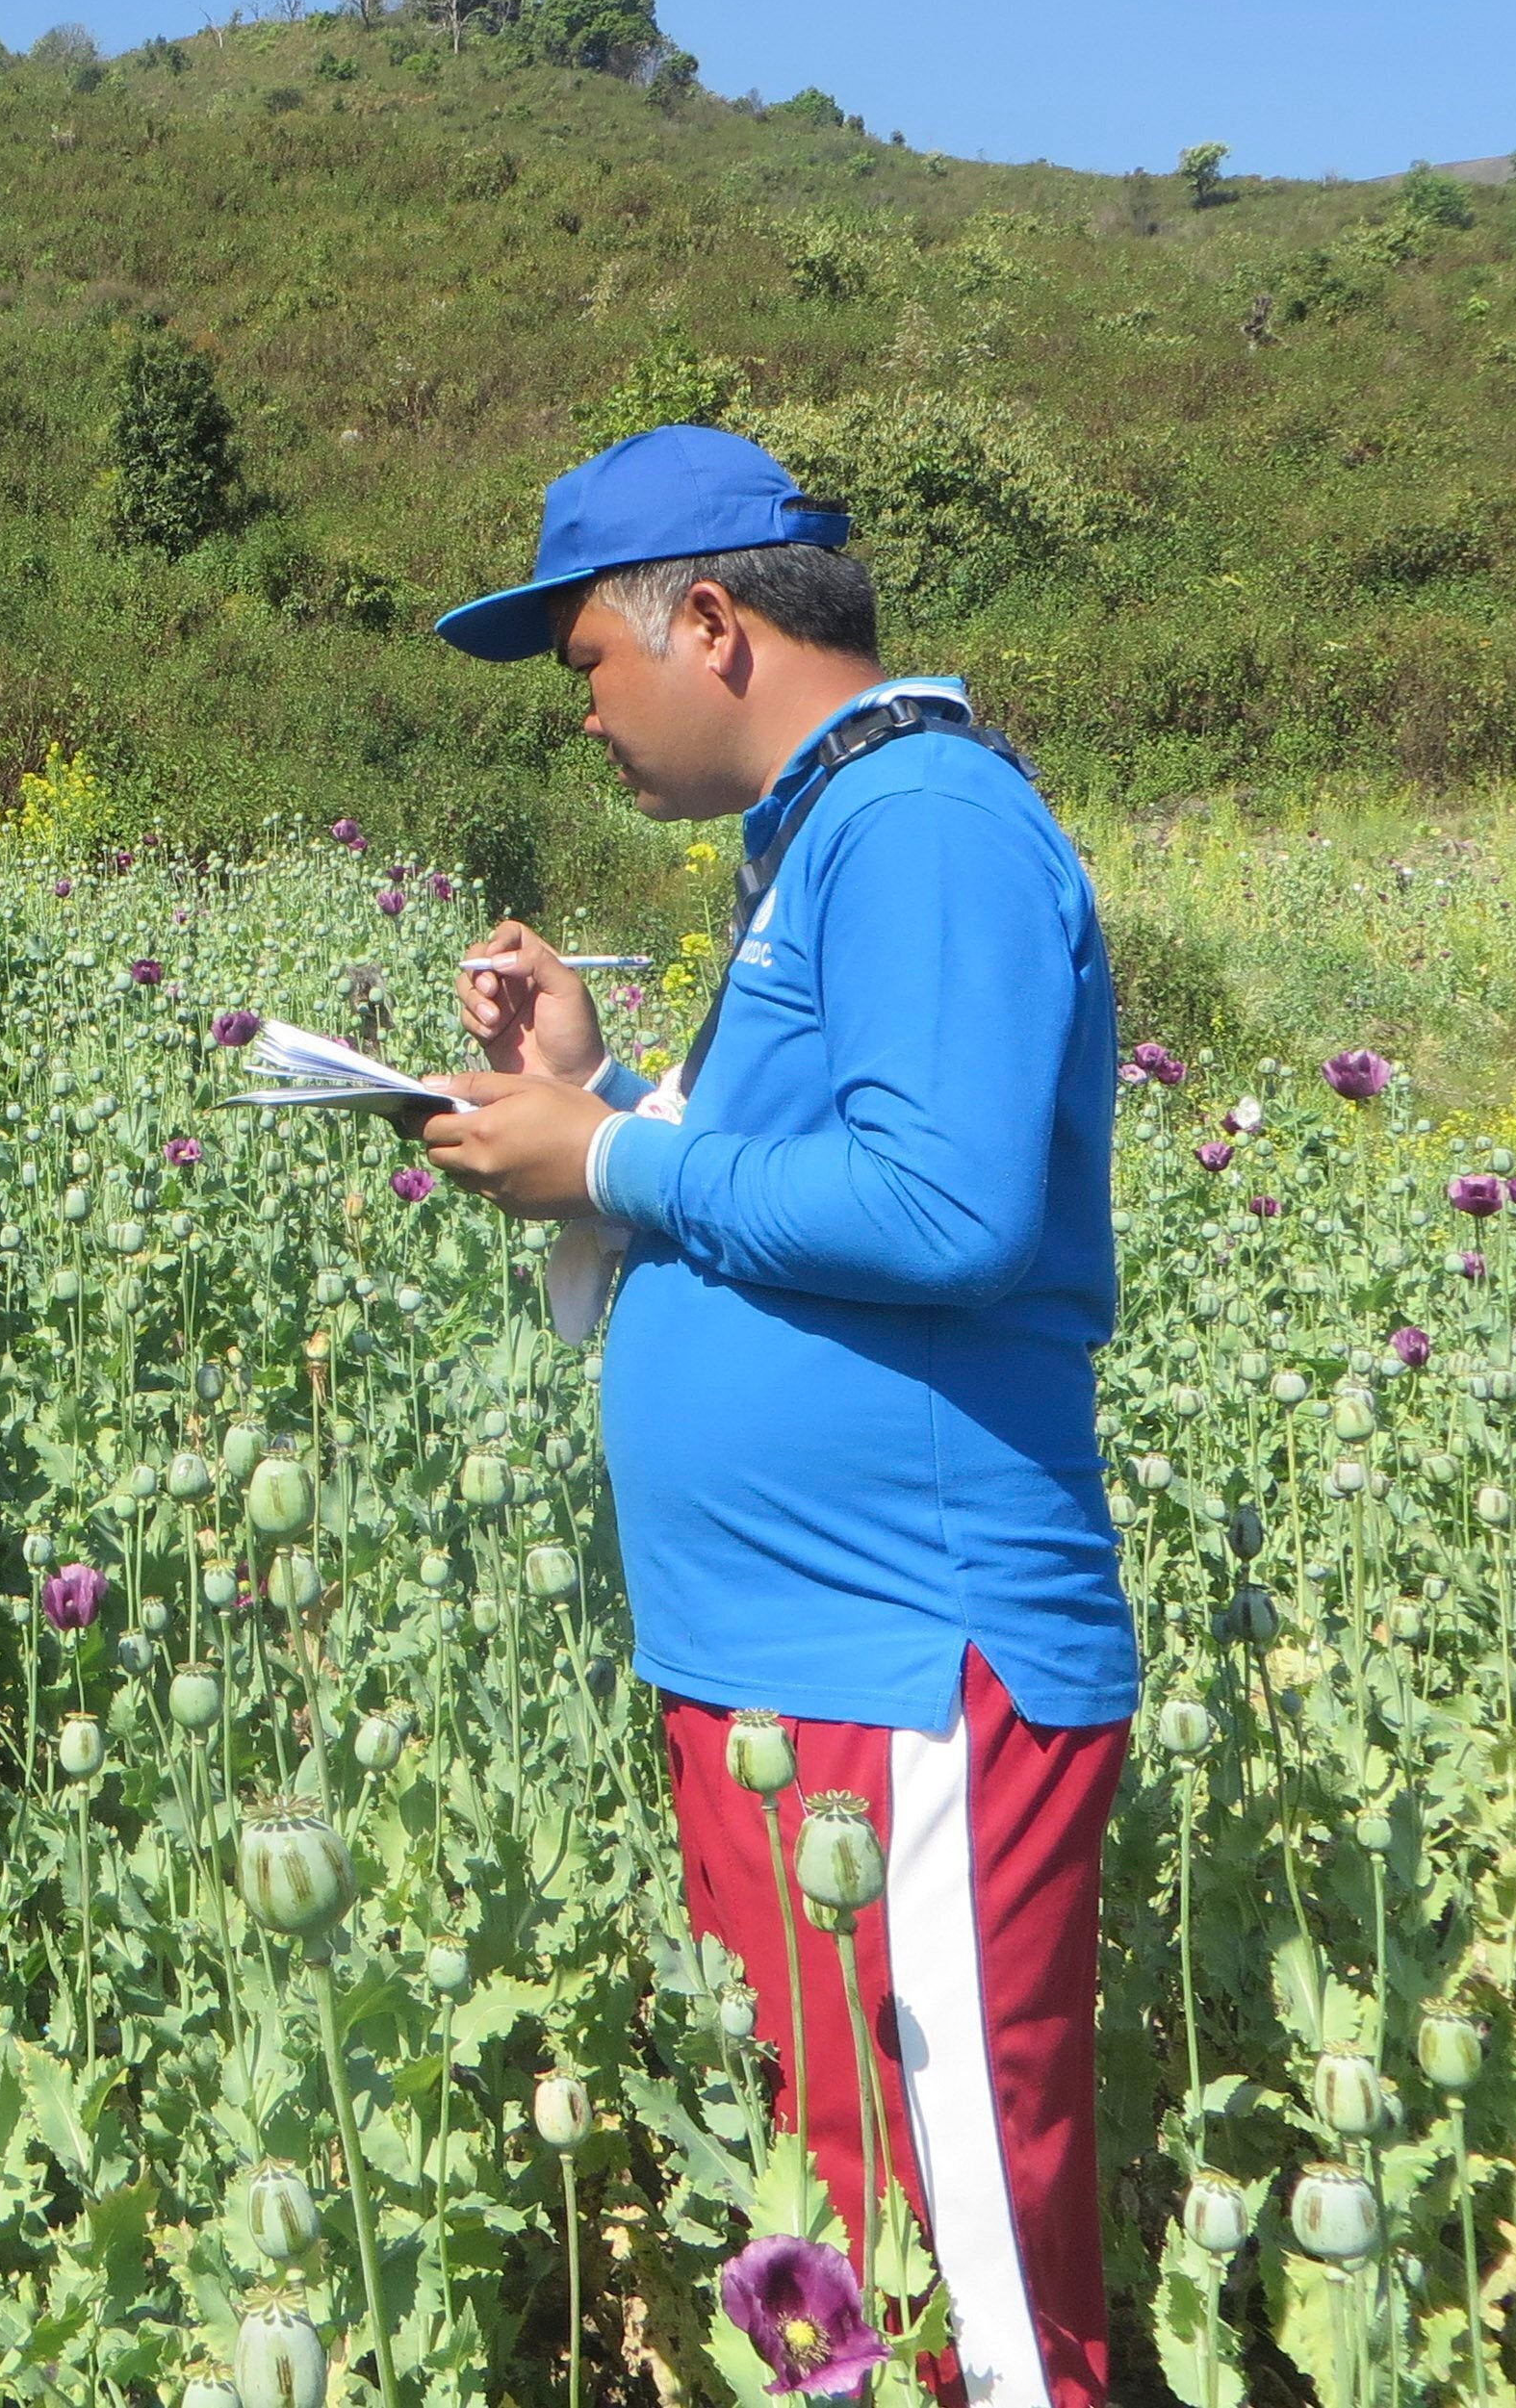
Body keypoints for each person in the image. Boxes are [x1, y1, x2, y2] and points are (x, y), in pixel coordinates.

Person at [418, 425, 1132, 2408]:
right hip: (793, 1672)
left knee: (951, 2289)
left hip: (906, 1662)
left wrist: (611, 1163)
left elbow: (951, 1206)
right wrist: (606, 1087)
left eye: (583, 663)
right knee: (842, 2251)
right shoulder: (830, 838)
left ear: (709, 622)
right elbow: (818, 1181)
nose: (582, 714)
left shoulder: (919, 823)